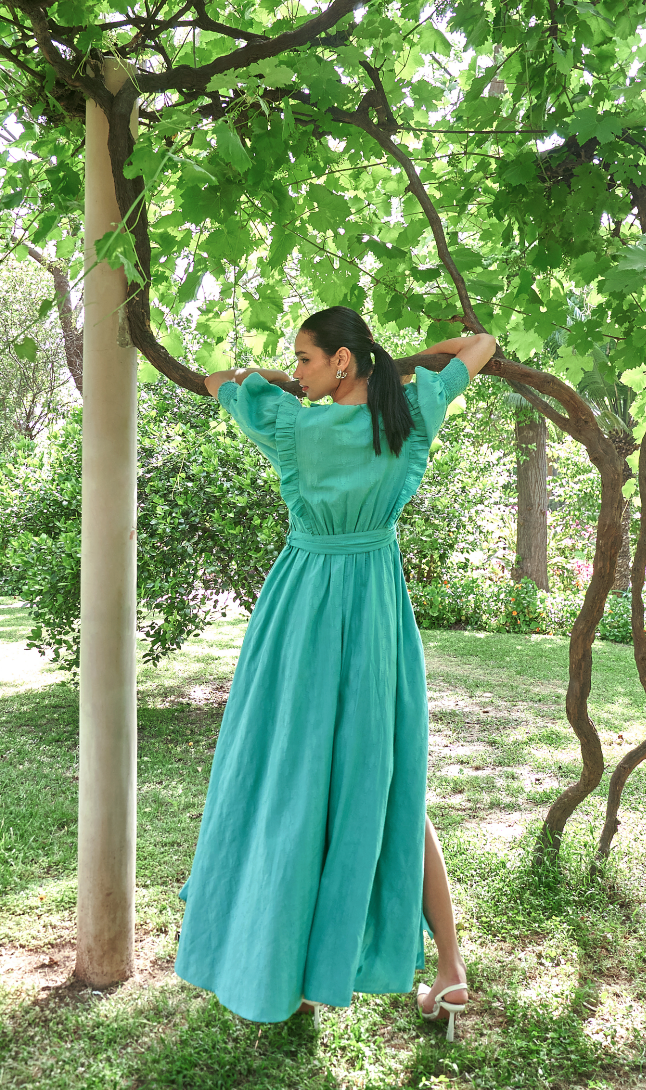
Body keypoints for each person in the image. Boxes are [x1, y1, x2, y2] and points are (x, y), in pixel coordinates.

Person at [175, 307, 495, 1038]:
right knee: (384, 783)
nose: (299, 369)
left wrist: (280, 381)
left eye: (307, 357)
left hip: (301, 614)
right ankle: (449, 968)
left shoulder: (292, 425)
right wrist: (402, 365)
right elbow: (480, 345)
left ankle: (284, 969)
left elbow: (220, 378)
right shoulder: (410, 414)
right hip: (375, 609)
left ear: (340, 361)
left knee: (291, 777)